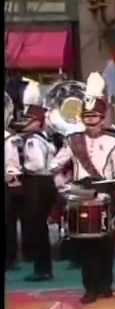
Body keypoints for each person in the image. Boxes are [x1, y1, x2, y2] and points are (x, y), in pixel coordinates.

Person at [49, 72, 115, 303]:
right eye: (87, 117)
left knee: (106, 240)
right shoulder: (73, 140)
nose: (92, 121)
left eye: (95, 117)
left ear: (103, 118)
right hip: (81, 192)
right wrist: (61, 184)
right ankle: (90, 287)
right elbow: (54, 165)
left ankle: (105, 284)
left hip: (105, 190)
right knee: (85, 243)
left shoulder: (113, 140)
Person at [8, 81, 58, 281]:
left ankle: (42, 269)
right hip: (45, 184)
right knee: (39, 228)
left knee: (36, 228)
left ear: (37, 122)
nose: (25, 123)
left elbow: (36, 164)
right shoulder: (44, 138)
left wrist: (22, 169)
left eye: (29, 120)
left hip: (37, 184)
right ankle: (42, 267)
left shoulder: (33, 141)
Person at [5, 91, 24, 271]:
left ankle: (10, 258)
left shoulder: (8, 138)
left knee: (8, 223)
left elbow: (12, 165)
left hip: (6, 185)